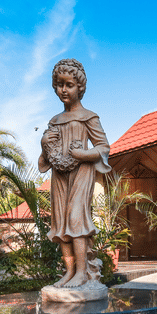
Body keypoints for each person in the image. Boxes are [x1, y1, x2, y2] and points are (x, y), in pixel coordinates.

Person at [39, 59, 111, 289]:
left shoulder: (89, 117)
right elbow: (45, 160)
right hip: (59, 175)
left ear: (80, 87)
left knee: (76, 219)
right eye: (59, 85)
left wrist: (82, 154)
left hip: (81, 172)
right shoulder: (55, 121)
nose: (63, 90)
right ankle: (69, 272)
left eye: (69, 85)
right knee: (60, 223)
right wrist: (43, 144)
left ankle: (82, 272)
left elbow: (103, 148)